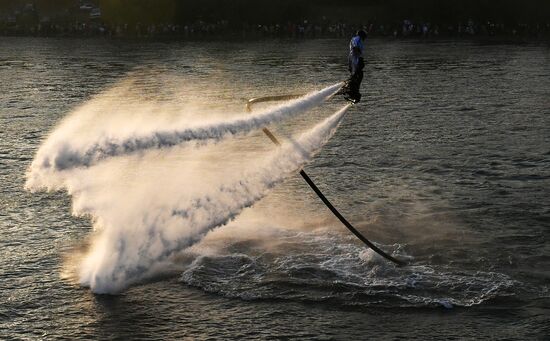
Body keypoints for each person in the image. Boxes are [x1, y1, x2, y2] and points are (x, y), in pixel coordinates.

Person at [343, 29, 367, 103]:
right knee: (358, 74)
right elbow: (355, 47)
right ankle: (351, 91)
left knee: (357, 75)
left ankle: (353, 91)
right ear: (362, 35)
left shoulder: (357, 39)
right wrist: (358, 53)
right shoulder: (357, 38)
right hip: (355, 59)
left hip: (354, 59)